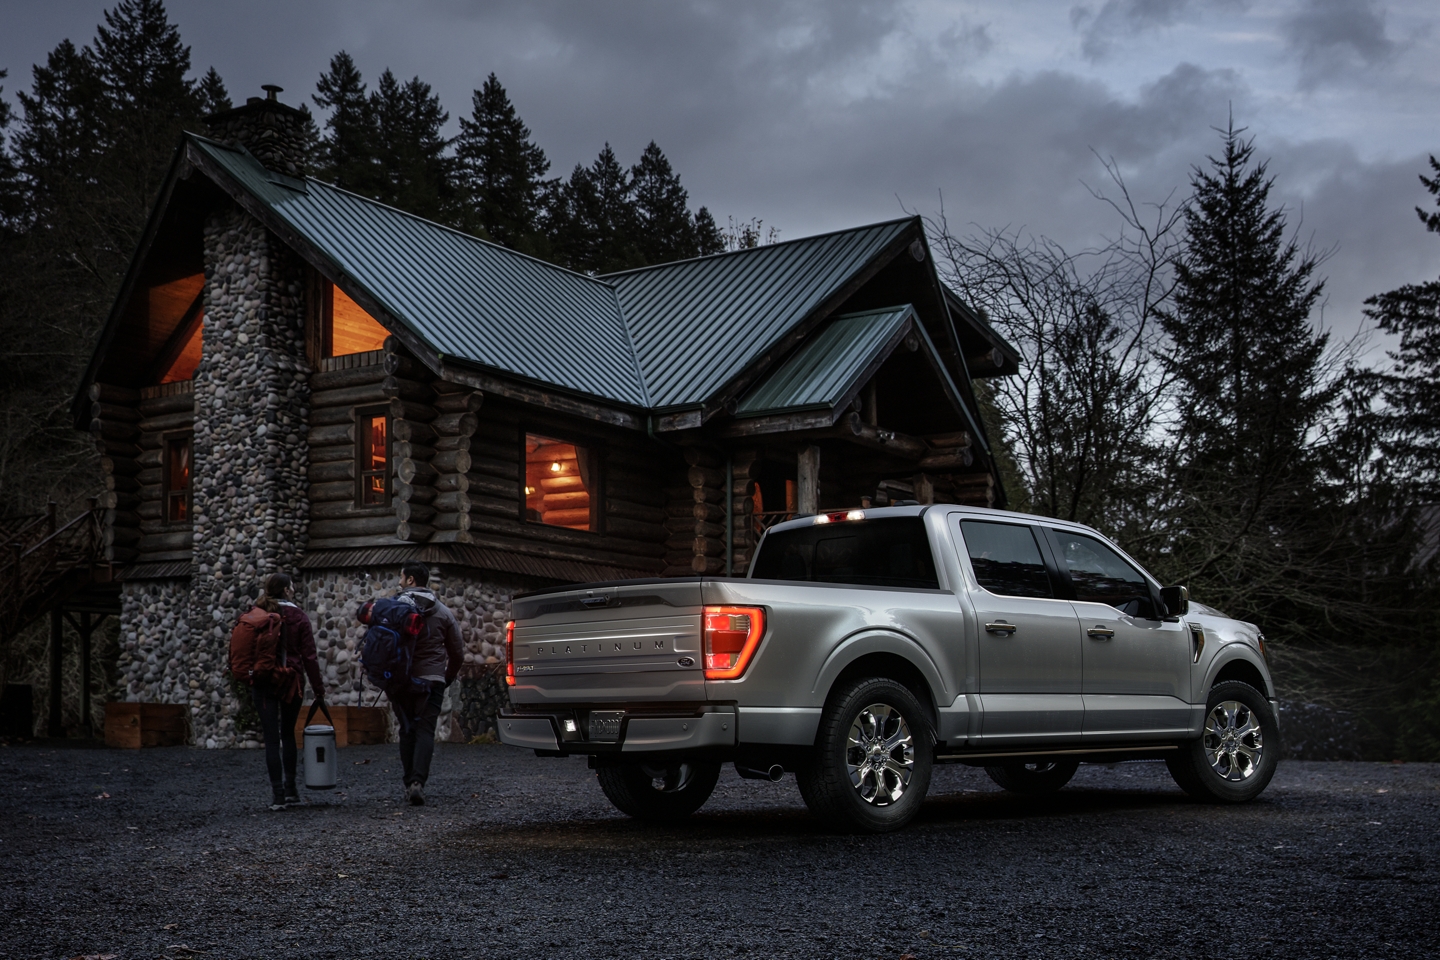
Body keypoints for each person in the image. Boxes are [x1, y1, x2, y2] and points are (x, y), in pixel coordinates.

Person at [247, 573, 325, 811]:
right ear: (286, 590)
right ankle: (291, 790)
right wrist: (318, 689)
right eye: (291, 587)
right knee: (288, 734)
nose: (293, 590)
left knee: (271, 739)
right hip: (291, 680)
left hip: (263, 681)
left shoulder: (256, 614)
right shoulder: (299, 616)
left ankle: (277, 795)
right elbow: (309, 656)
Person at [388, 561, 463, 806]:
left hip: (401, 681)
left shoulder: (394, 608)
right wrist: (447, 676)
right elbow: (457, 652)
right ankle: (417, 782)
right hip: (432, 681)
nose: (399, 581)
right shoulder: (443, 612)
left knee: (407, 729)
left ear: (410, 580)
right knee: (425, 730)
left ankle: (408, 782)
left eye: (401, 577)